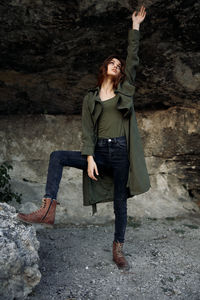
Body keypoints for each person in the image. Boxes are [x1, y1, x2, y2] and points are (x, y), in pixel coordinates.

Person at [18, 6, 150, 270]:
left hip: (121, 154)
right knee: (57, 156)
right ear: (104, 68)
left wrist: (135, 27)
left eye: (119, 65)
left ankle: (118, 249)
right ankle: (47, 209)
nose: (117, 65)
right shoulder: (89, 98)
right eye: (112, 62)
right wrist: (89, 158)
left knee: (120, 204)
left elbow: (133, 60)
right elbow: (87, 130)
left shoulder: (124, 92)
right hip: (99, 153)